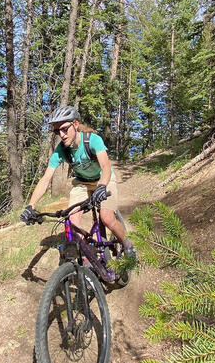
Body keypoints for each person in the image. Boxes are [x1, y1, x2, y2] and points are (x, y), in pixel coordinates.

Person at [20, 106, 134, 258]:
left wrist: (101, 186)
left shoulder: (92, 140)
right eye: (57, 131)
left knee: (106, 218)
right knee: (72, 223)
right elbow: (46, 178)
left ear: (75, 124)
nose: (61, 134)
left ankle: (128, 245)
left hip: (103, 180)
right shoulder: (61, 150)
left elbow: (106, 167)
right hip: (82, 183)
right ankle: (88, 258)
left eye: (65, 129)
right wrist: (31, 206)